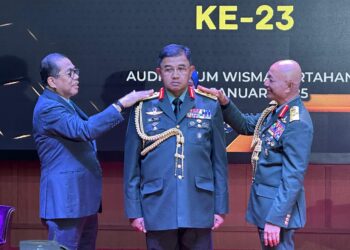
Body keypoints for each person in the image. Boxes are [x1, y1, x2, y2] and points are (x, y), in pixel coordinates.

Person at [32, 52, 153, 250]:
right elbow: (85, 130)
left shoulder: (65, 102)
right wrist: (122, 103)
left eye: (76, 71)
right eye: (70, 73)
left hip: (81, 200)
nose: (76, 76)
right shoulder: (49, 108)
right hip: (66, 202)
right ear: (52, 81)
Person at [198, 60, 313, 249]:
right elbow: (246, 125)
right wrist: (224, 102)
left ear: (289, 86)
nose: (265, 82)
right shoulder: (277, 112)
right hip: (266, 207)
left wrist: (276, 220)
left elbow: (293, 177)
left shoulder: (297, 122)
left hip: (276, 213)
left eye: (271, 79)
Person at [124, 44, 228, 249]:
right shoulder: (143, 107)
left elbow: (219, 162)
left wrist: (220, 207)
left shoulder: (209, 105)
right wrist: (134, 211)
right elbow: (131, 167)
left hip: (199, 204)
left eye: (181, 68)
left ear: (191, 71)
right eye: (168, 69)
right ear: (159, 72)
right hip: (158, 205)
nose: (175, 75)